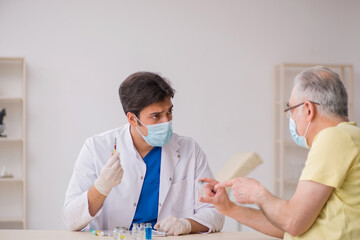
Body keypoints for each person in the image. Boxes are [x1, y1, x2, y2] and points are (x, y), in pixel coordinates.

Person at [200, 66, 360, 239]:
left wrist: (258, 194)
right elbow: (288, 225)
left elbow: (293, 222)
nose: (291, 120)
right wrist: (229, 208)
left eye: (291, 111)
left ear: (308, 109)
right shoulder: (347, 137)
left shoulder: (333, 138)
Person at [63, 72, 224, 235]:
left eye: (168, 112)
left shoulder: (189, 149)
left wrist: (186, 224)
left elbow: (215, 212)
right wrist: (101, 187)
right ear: (132, 119)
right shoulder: (96, 148)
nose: (166, 122)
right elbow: (71, 219)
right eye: (156, 116)